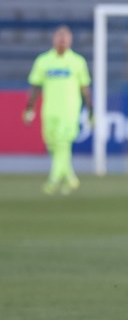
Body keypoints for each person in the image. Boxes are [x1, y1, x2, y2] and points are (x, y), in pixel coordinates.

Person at [22, 25, 93, 195]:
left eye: (65, 37)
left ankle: (53, 180)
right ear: (54, 39)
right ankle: (70, 178)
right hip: (50, 110)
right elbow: (35, 86)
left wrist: (91, 110)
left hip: (69, 110)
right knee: (52, 145)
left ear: (70, 40)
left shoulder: (77, 62)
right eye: (59, 37)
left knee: (63, 143)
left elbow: (84, 88)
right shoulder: (43, 61)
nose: (62, 40)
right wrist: (29, 108)